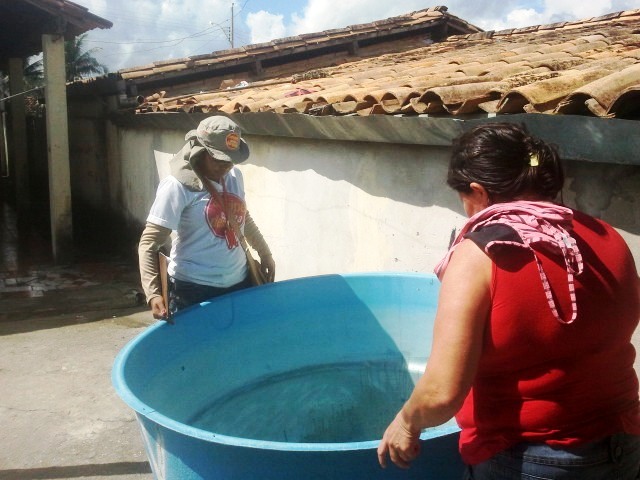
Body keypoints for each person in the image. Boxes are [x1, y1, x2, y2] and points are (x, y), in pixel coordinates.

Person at [377, 122, 640, 479]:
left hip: (530, 459)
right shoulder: (605, 236)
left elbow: (441, 393)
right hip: (625, 444)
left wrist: (406, 422)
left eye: (464, 201)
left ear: (477, 191)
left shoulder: (482, 255)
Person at [138, 115, 275, 320]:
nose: (226, 167)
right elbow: (149, 243)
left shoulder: (234, 176)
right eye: (219, 160)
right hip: (193, 290)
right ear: (200, 151)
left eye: (230, 160)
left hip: (239, 282)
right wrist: (153, 293)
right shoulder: (177, 186)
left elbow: (243, 218)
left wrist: (265, 253)